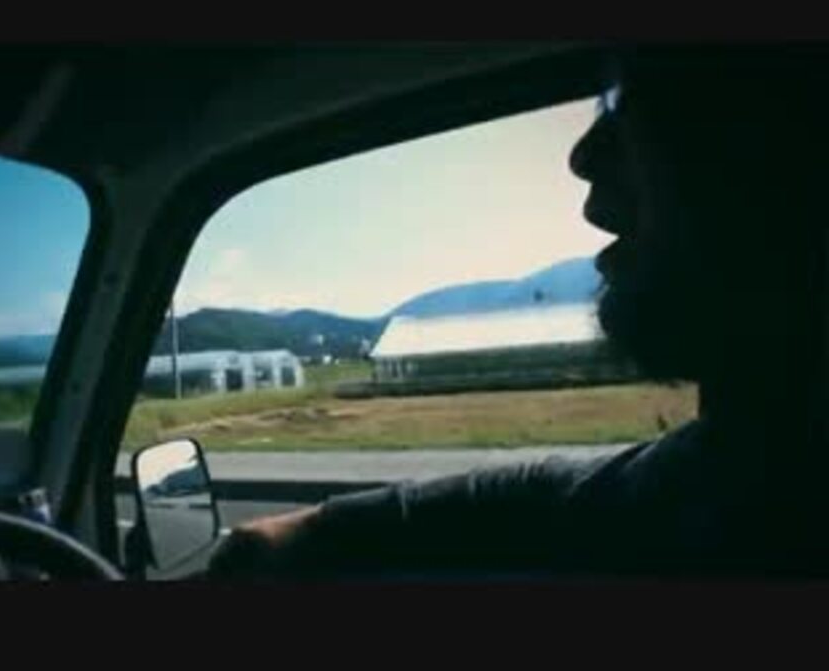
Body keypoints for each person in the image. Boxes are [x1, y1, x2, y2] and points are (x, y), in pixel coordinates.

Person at [207, 46, 829, 580]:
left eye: (639, 94)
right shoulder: (746, 465)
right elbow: (561, 497)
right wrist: (320, 528)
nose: (584, 154)